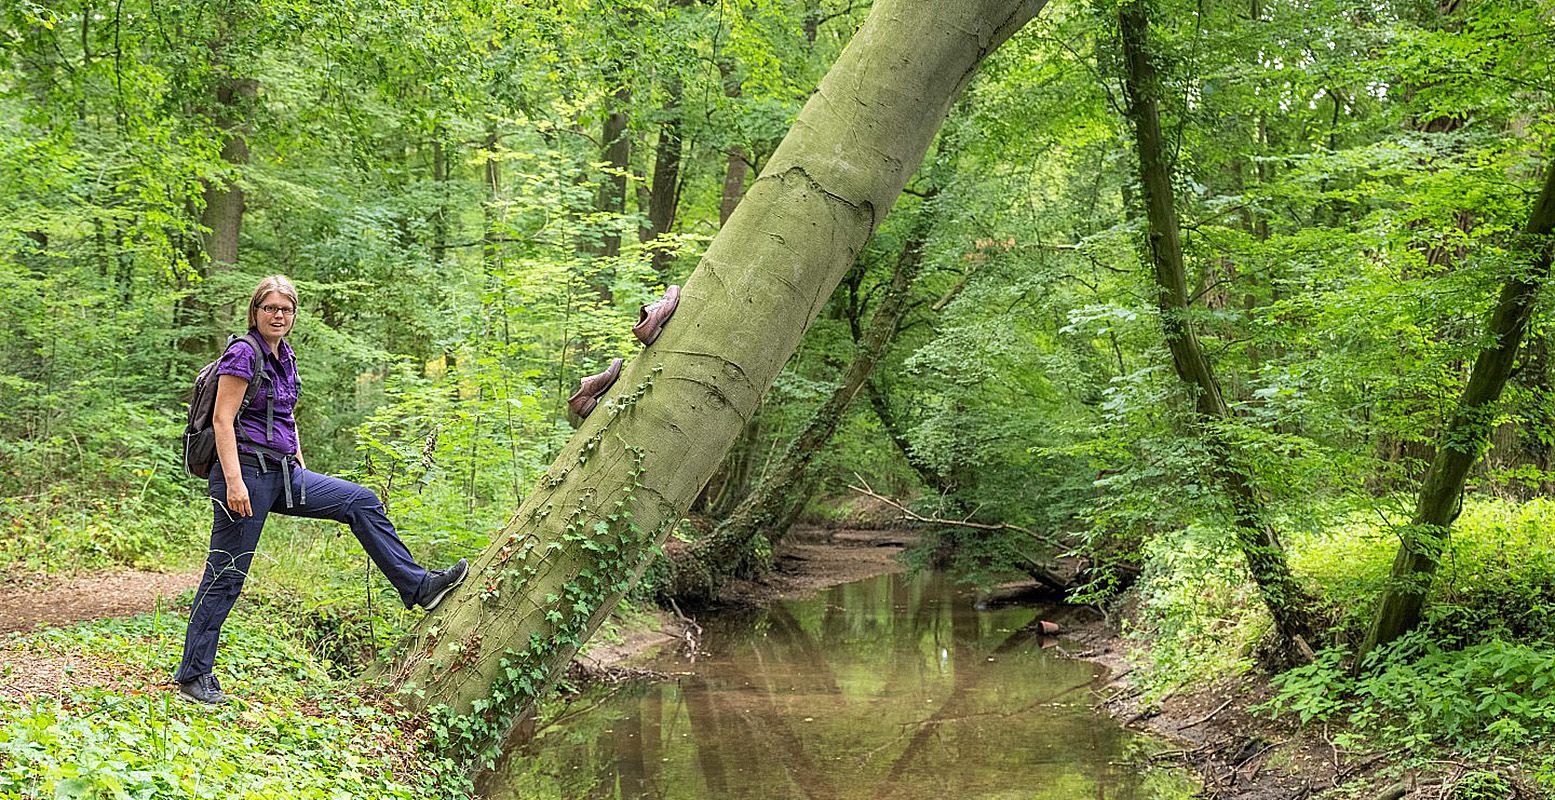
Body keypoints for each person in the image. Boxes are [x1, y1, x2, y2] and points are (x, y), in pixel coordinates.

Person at [174, 274, 467, 706]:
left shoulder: (285, 355)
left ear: (293, 315)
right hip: (246, 475)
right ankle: (194, 674)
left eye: (286, 309)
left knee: (360, 501)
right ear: (255, 311)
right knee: (226, 576)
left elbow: (285, 414)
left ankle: (419, 586)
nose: (278, 315)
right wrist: (234, 481)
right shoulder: (242, 353)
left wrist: (297, 457)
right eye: (270, 308)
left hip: (283, 472)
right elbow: (223, 420)